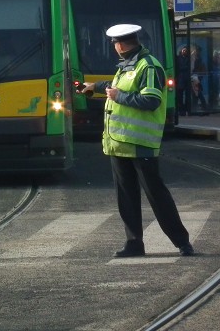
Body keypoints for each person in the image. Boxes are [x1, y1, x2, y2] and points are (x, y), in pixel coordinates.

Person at [79, 24, 194, 258]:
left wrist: (118, 96)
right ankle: (134, 244)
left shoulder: (148, 66)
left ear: (120, 44)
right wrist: (95, 87)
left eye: (114, 44)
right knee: (127, 197)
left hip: (140, 143)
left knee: (156, 195)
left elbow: (150, 100)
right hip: (119, 143)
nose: (114, 48)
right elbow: (114, 86)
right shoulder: (127, 66)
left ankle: (182, 242)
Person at [175, 46, 191, 116]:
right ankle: (181, 110)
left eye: (186, 51)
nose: (184, 52)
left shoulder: (189, 58)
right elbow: (179, 67)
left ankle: (187, 109)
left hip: (186, 78)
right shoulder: (178, 58)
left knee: (188, 95)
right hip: (181, 78)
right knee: (180, 95)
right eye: (183, 50)